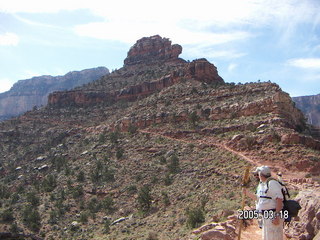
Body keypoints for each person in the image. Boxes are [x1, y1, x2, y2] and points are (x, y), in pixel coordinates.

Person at [243, 166, 284, 240]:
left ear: (261, 174)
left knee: (274, 237)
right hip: (265, 217)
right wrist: (247, 193)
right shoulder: (261, 184)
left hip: (273, 215)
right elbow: (259, 198)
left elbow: (279, 200)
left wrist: (276, 215)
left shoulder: (272, 183)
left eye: (257, 174)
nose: (256, 176)